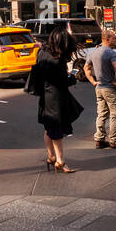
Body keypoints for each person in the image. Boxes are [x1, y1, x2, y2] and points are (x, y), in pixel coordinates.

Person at [32, 28, 83, 172]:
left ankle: (51, 156)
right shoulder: (57, 59)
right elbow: (62, 81)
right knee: (57, 131)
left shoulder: (42, 52)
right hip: (56, 98)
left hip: (45, 95)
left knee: (49, 128)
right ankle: (60, 161)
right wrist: (72, 77)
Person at [88, 27, 116, 150]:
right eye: (114, 38)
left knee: (102, 114)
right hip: (109, 87)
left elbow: (86, 68)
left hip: (98, 87)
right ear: (108, 39)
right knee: (115, 113)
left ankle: (99, 139)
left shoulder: (94, 52)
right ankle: (114, 140)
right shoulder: (111, 53)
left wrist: (93, 82)